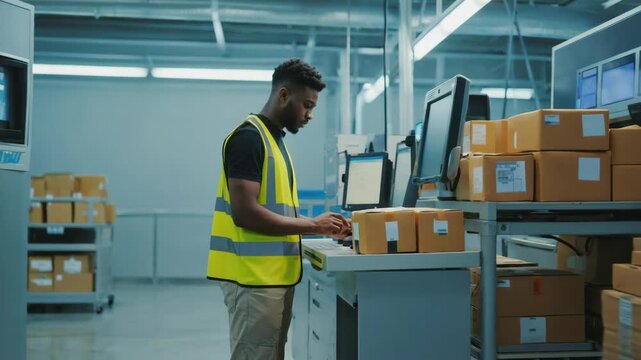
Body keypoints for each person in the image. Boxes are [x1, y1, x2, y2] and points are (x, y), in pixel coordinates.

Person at [207, 58, 350, 360]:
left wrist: (320, 226)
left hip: (272, 278)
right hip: (253, 280)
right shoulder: (248, 138)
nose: (310, 115)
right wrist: (313, 226)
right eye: (307, 105)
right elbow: (244, 213)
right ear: (284, 95)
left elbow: (276, 209)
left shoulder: (275, 141)